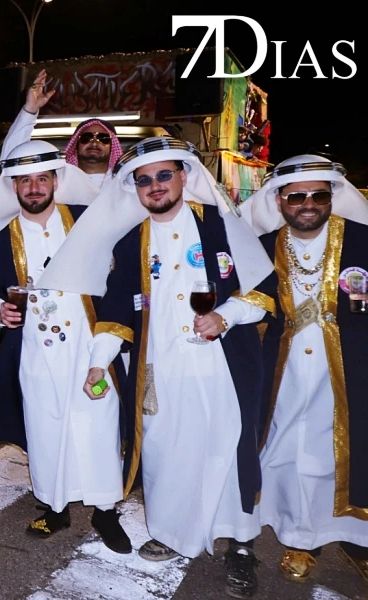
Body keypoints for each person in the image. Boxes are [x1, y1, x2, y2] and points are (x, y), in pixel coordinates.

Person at [37, 137, 275, 598]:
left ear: (184, 176)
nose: (155, 186)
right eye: (144, 180)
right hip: (158, 369)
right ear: (134, 189)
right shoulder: (130, 242)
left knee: (228, 450)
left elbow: (264, 292)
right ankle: (170, 532)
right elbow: (115, 313)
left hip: (222, 365)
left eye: (164, 175)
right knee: (166, 453)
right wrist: (97, 363)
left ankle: (241, 544)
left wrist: (226, 315)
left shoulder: (220, 226)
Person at [0, 141, 130, 552]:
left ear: (56, 180)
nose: (35, 187)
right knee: (46, 429)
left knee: (98, 427)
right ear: (15, 186)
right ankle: (55, 509)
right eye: (26, 181)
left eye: (42, 178)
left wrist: (106, 349)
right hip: (35, 354)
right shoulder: (1, 240)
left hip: (90, 347)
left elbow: (117, 285)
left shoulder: (86, 224)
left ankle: (105, 511)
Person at [239, 155, 368, 583]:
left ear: (332, 197)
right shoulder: (262, 246)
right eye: (297, 196)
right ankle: (301, 536)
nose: (308, 203)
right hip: (286, 371)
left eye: (319, 194)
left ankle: (358, 540)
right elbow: (250, 301)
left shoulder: (364, 240)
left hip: (353, 371)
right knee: (292, 453)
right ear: (279, 200)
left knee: (349, 452)